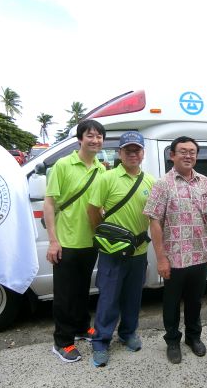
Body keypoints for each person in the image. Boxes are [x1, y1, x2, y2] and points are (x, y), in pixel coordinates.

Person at [143, 136, 207, 364]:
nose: (188, 155)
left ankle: (193, 338)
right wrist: (161, 258)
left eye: (192, 151)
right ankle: (173, 341)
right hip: (174, 258)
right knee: (172, 302)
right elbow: (154, 221)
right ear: (172, 155)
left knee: (195, 301)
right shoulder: (162, 184)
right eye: (182, 151)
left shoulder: (204, 182)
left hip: (199, 254)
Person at [87, 131, 155, 368]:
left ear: (143, 153)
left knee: (133, 297)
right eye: (128, 150)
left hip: (139, 250)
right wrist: (103, 234)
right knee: (108, 297)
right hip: (112, 252)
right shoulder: (107, 178)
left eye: (137, 150)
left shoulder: (150, 182)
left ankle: (128, 333)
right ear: (120, 153)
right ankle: (101, 341)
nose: (132, 154)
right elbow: (93, 210)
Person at [44, 119, 106, 363]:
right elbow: (49, 204)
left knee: (82, 289)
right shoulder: (63, 164)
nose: (95, 140)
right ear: (80, 139)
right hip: (66, 241)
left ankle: (82, 327)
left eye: (99, 136)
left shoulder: (102, 169)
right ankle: (62, 342)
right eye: (90, 135)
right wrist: (53, 241)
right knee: (64, 295)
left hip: (90, 241)